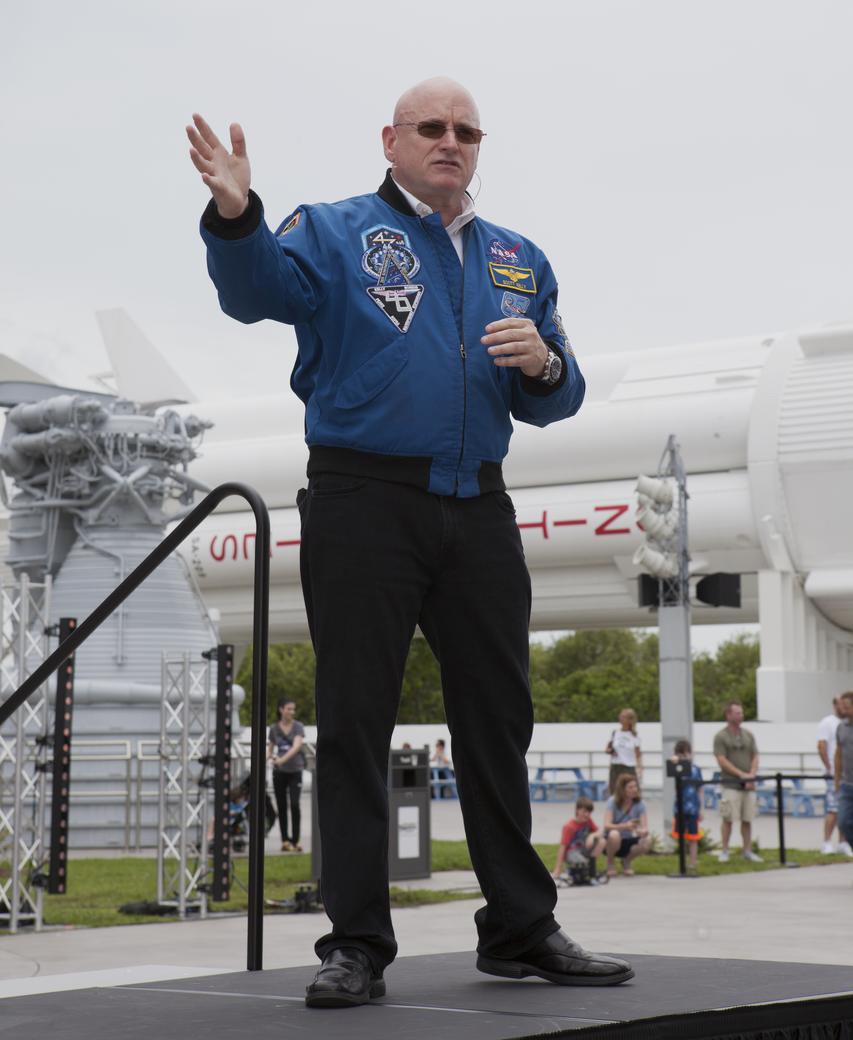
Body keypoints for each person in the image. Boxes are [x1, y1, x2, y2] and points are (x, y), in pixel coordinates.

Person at [189, 78, 633, 1006]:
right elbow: (257, 291)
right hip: (364, 500)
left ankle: (519, 927)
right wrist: (235, 214)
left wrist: (546, 364)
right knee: (356, 722)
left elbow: (560, 394)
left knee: (498, 721)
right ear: (390, 139)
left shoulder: (517, 257)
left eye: (466, 131)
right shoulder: (337, 229)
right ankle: (354, 942)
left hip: (478, 506)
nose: (450, 142)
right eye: (431, 128)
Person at [713, 700, 762, 863]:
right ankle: (724, 850)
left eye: (741, 712)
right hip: (730, 784)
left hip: (748, 784)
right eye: (737, 712)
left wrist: (751, 774)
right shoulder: (721, 736)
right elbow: (722, 760)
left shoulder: (748, 735)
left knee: (747, 818)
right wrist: (740, 774)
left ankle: (747, 850)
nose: (741, 715)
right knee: (728, 817)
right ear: (728, 715)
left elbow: (755, 756)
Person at [267, 699, 306, 853]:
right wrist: (269, 758)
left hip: (295, 771)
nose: (292, 712)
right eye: (289, 709)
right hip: (279, 773)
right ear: (281, 709)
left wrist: (281, 760)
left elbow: (297, 746)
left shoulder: (298, 727)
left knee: (295, 805)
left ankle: (295, 841)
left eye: (293, 709)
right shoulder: (274, 729)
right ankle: (285, 840)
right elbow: (270, 749)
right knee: (282, 806)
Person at [817, 697, 852, 855]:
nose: (843, 708)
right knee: (837, 813)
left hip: (846, 778)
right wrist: (831, 769)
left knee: (843, 815)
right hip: (840, 779)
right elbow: (825, 747)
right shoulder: (833, 724)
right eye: (841, 704)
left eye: (846, 705)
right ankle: (827, 842)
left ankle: (843, 843)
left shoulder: (842, 725)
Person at [603, 774, 651, 877]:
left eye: (635, 786)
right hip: (612, 840)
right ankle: (610, 863)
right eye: (630, 787)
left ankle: (626, 861)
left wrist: (642, 831)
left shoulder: (640, 804)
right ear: (622, 789)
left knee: (647, 840)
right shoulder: (612, 802)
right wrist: (625, 826)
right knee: (614, 834)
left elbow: (644, 826)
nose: (634, 789)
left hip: (629, 838)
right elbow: (607, 825)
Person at [552, 796, 605, 885]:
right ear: (577, 810)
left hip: (583, 849)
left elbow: (600, 832)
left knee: (602, 841)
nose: (587, 815)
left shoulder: (588, 821)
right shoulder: (569, 826)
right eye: (584, 811)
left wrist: (592, 835)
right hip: (572, 852)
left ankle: (591, 871)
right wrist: (558, 868)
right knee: (581, 861)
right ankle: (576, 873)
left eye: (589, 812)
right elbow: (563, 847)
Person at [669, 739, 703, 872]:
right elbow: (672, 762)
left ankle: (693, 861)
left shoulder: (696, 769)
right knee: (681, 836)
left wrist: (701, 809)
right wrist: (676, 760)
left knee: (693, 837)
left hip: (693, 807)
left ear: (691, 753)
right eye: (681, 754)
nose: (684, 757)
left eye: (686, 754)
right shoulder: (677, 768)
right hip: (680, 807)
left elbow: (700, 789)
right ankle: (682, 861)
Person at [606, 709, 643, 794]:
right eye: (620, 716)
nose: (620, 718)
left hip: (628, 766)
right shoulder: (615, 733)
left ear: (629, 720)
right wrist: (610, 751)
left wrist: (639, 767)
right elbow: (608, 748)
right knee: (614, 792)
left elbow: (638, 754)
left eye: (623, 717)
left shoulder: (634, 736)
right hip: (616, 766)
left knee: (632, 792)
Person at [834, 691, 853, 851]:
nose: (843, 710)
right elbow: (838, 754)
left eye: (847, 707)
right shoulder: (841, 727)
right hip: (847, 785)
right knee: (843, 822)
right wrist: (837, 779)